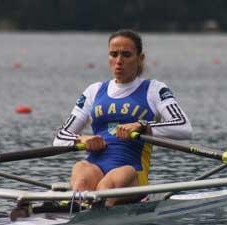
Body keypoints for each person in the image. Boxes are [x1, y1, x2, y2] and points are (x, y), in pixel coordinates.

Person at [53, 29, 192, 206]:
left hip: (131, 170)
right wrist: (82, 138)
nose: (119, 61)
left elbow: (184, 127)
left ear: (140, 58)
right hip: (95, 163)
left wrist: (143, 126)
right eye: (114, 54)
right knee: (80, 171)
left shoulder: (154, 89)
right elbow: (59, 138)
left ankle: (89, 209)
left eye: (126, 55)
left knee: (106, 186)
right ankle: (76, 207)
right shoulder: (94, 91)